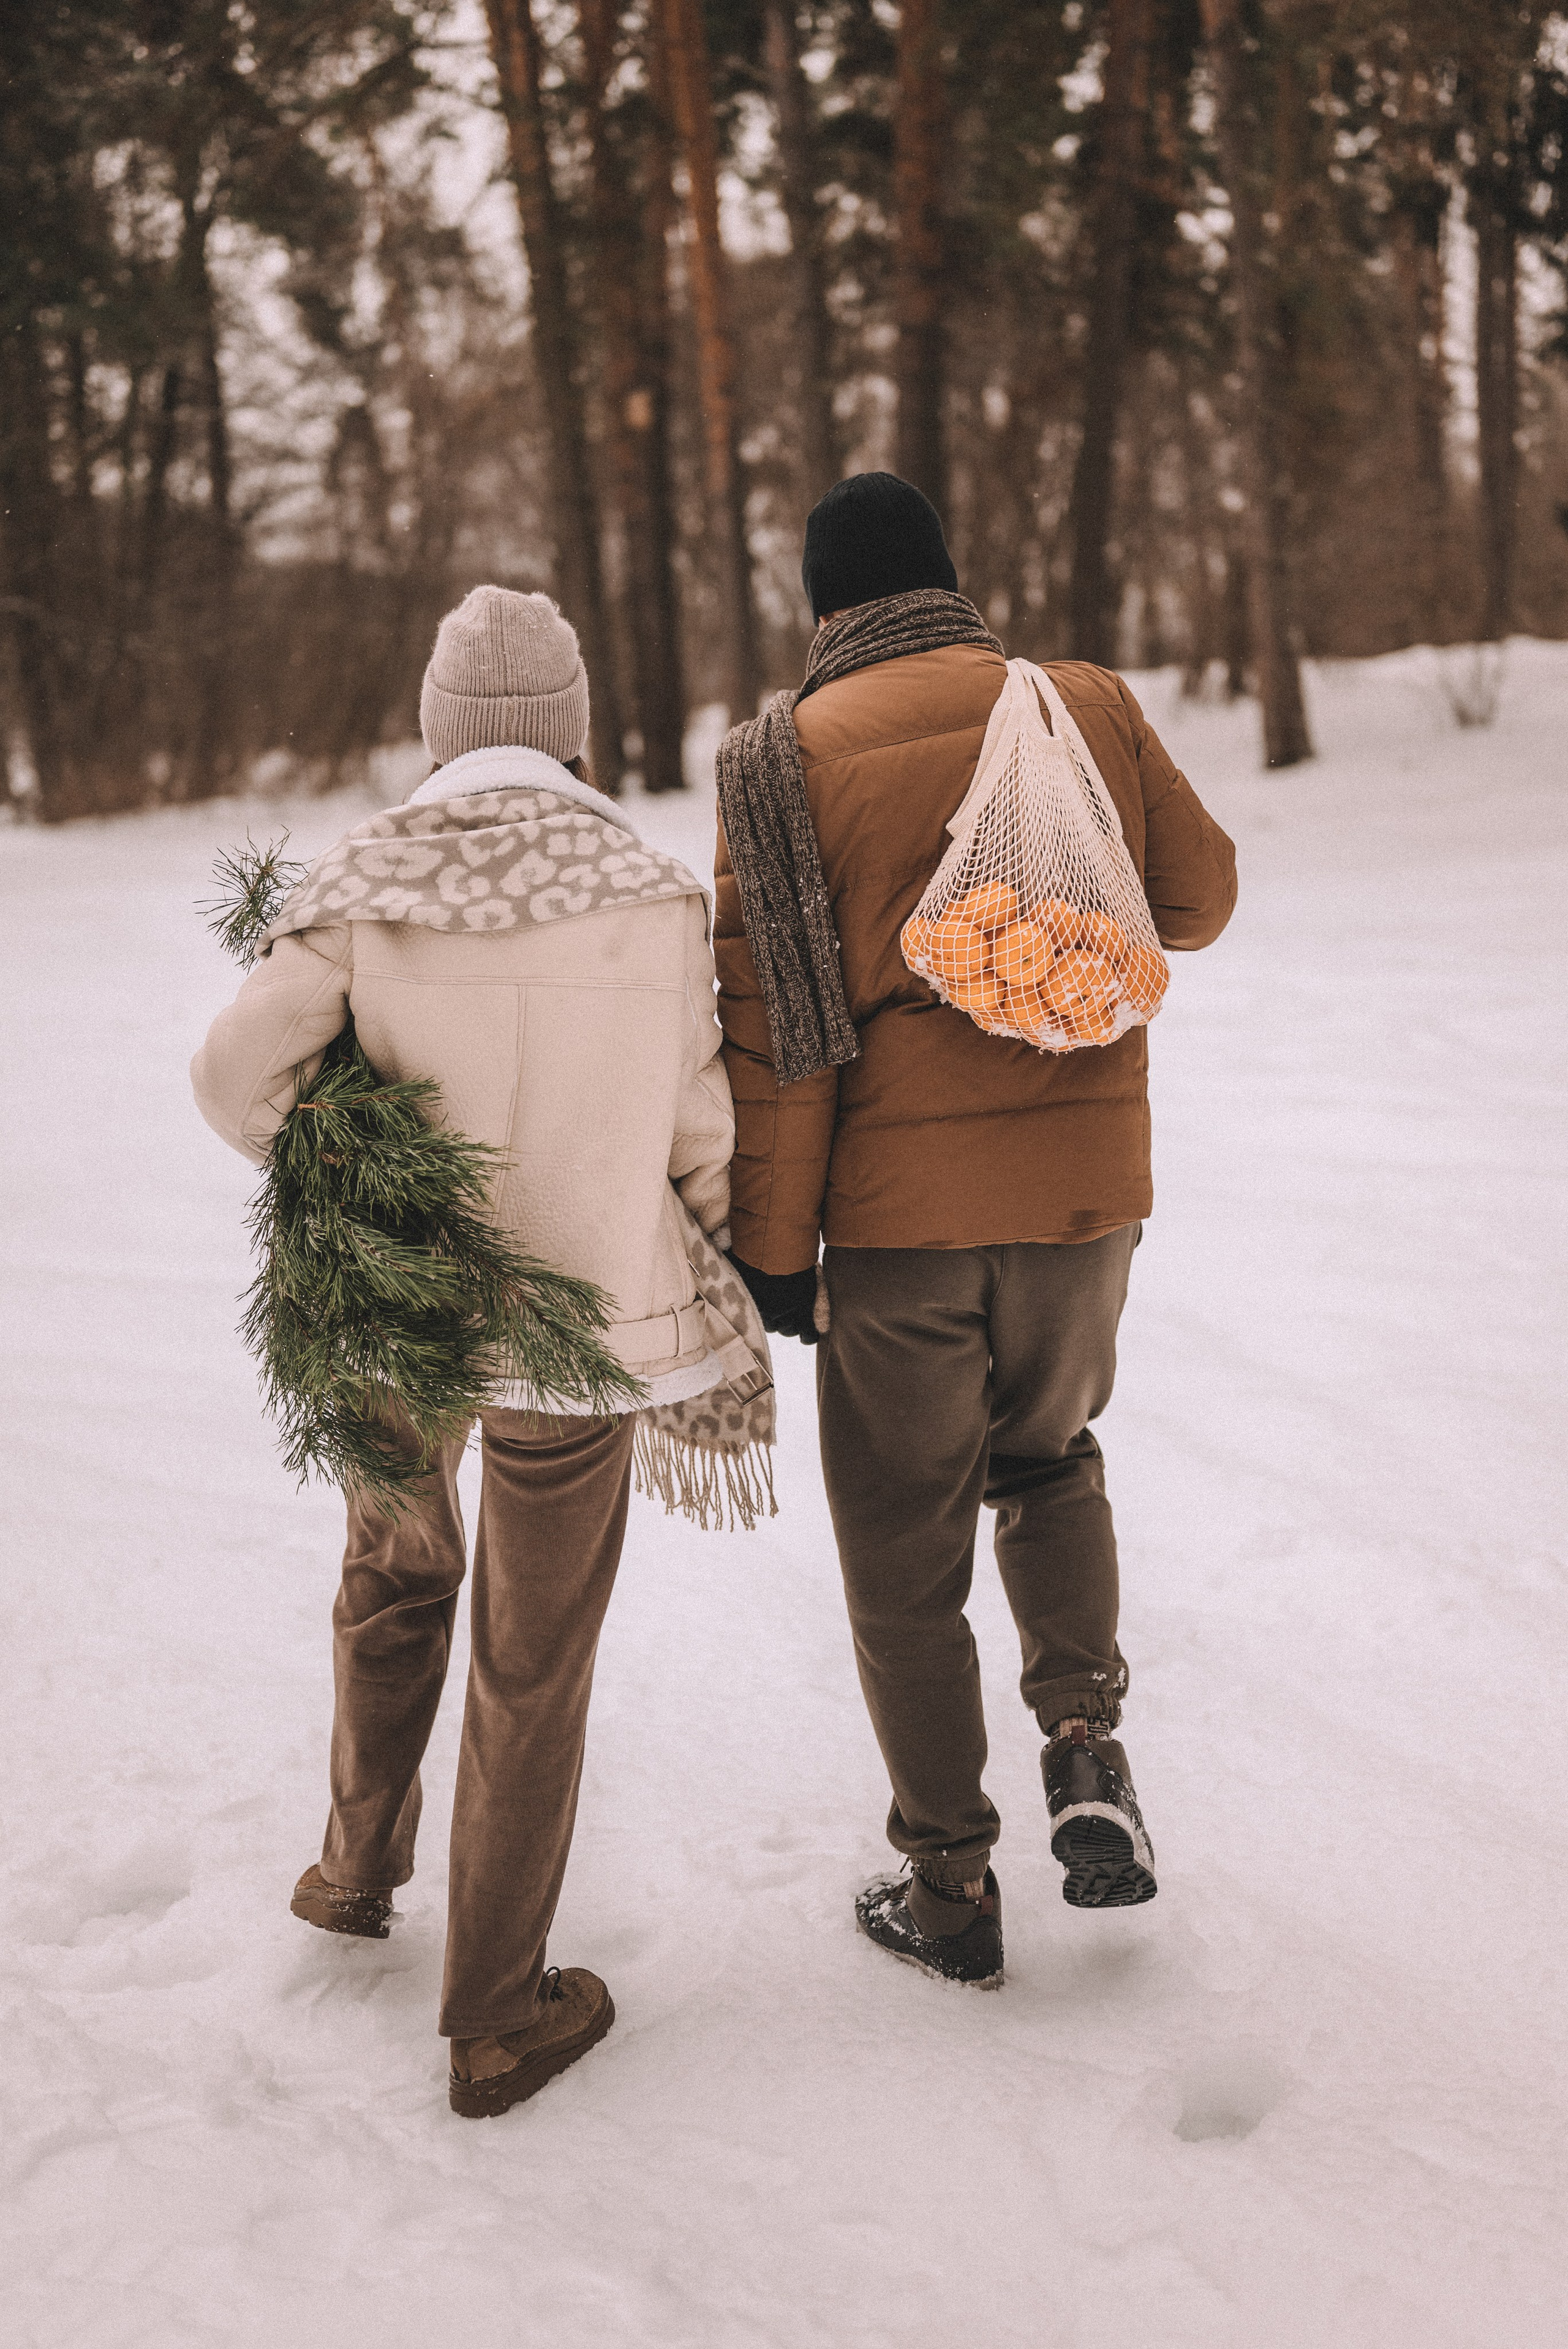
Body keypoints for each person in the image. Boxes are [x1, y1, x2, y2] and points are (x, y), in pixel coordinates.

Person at [192, 586, 735, 2111]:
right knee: (531, 1656)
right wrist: (704, 1232)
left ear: (441, 732)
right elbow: (704, 1132)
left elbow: (236, 1072)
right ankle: (498, 2010)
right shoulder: (646, 887)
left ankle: (356, 1870)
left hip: (397, 1314)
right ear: (564, 732)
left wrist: (336, 1165)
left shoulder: (366, 873)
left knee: (389, 1573)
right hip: (586, 1326)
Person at [714, 472, 1237, 1987]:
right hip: (1084, 1204)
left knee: (901, 1556)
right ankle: (1082, 1744)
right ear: (948, 576)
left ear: (823, 610)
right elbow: (1192, 903)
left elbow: (778, 1045)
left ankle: (948, 1887)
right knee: (1050, 1459)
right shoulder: (1076, 703)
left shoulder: (777, 762)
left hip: (897, 1231)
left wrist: (775, 1251)